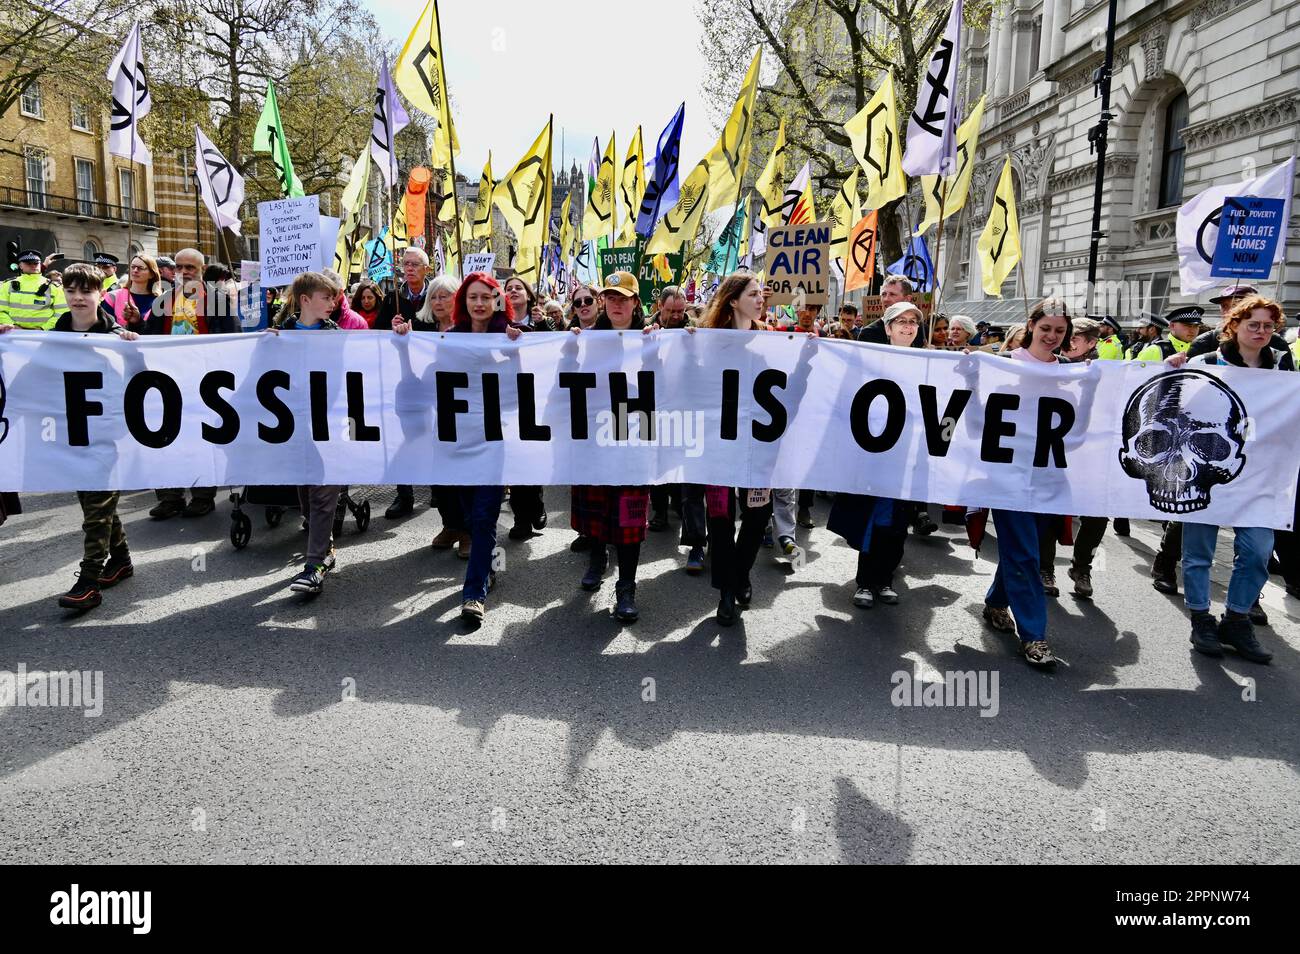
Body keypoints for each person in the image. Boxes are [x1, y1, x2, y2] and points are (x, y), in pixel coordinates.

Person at [1165, 295, 1293, 663]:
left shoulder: (1283, 367)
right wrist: (1173, 369)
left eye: (1269, 325)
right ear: (1234, 325)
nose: (1262, 331)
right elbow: (1175, 407)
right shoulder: (1206, 362)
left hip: (1259, 475)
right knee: (1199, 552)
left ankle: (1236, 619)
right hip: (1208, 470)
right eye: (1254, 324)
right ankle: (1202, 618)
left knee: (1257, 552)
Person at [980, 298, 1073, 669]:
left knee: (1026, 547)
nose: (1052, 336)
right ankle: (1034, 635)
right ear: (1031, 325)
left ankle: (995, 602)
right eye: (1046, 328)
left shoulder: (1069, 371)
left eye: (1059, 330)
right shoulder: (1003, 365)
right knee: (1025, 554)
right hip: (1006, 475)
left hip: (1048, 476)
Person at [45, 264, 140, 609]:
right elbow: (32, 372)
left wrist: (134, 347)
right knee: (92, 501)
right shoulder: (53, 335)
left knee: (97, 508)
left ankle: (88, 582)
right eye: (71, 291)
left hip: (107, 435)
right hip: (74, 433)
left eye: (86, 291)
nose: (78, 298)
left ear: (101, 294)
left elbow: (143, 379)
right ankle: (122, 560)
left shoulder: (117, 337)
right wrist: (10, 337)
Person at [568, 271, 653, 623]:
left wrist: (681, 340)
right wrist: (569, 349)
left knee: (628, 511)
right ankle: (597, 556)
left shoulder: (653, 339)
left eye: (624, 297)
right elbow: (565, 380)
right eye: (611, 298)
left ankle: (627, 587)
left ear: (635, 302)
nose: (616, 304)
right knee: (598, 504)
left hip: (636, 432)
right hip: (598, 433)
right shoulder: (588, 338)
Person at [699, 272, 782, 625]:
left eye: (762, 293)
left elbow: (789, 385)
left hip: (758, 447)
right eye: (753, 293)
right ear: (733, 300)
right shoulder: (706, 342)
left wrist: (809, 354)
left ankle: (740, 574)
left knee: (757, 515)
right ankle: (726, 592)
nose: (761, 298)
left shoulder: (772, 341)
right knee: (719, 519)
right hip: (718, 445)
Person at [828, 301, 919, 609]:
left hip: (907, 456)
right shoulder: (870, 361)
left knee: (897, 522)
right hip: (875, 453)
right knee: (875, 520)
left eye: (913, 322)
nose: (908, 326)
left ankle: (885, 579)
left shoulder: (931, 363)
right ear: (889, 328)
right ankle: (866, 582)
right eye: (901, 321)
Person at [449, 271, 523, 622]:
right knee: (469, 516)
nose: (479, 303)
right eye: (472, 297)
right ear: (464, 302)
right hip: (460, 442)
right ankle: (488, 564)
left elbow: (522, 386)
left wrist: (515, 351)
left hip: (495, 439)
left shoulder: (509, 336)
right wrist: (405, 341)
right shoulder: (451, 338)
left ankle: (473, 593)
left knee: (483, 516)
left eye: (485, 297)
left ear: (497, 301)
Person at [270, 272, 348, 595]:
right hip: (294, 425)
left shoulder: (336, 334)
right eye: (325, 297)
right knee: (304, 491)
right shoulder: (280, 334)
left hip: (328, 425)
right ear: (305, 300)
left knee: (322, 491)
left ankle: (314, 564)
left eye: (333, 298)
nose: (332, 303)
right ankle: (325, 546)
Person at [147, 248, 239, 519]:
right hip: (167, 380)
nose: (185, 272)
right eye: (180, 267)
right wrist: (132, 324)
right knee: (165, 438)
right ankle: (169, 497)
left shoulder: (216, 300)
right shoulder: (164, 300)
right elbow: (148, 335)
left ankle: (202, 496)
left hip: (204, 381)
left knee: (201, 438)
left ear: (202, 269)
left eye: (191, 267)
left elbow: (233, 337)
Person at [392, 274, 471, 556]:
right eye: (434, 296)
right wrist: (402, 341)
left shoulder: (470, 329)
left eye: (445, 296)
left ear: (457, 299)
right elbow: (412, 370)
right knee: (440, 473)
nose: (438, 301)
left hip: (467, 413)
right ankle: (451, 524)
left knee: (465, 475)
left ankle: (470, 532)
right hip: (436, 413)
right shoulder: (423, 330)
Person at [500, 275, 549, 539]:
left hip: (536, 397)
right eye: (508, 288)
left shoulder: (542, 322)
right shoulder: (497, 324)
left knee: (533, 455)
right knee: (515, 458)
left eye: (518, 287)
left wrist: (544, 327)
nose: (514, 291)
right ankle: (520, 518)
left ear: (529, 295)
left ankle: (537, 503)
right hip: (507, 398)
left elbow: (558, 349)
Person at [0, 250, 65, 330]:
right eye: (28, 263)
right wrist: (12, 326)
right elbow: (1, 311)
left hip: (44, 336)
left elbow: (62, 312)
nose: (33, 266)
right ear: (20, 266)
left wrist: (43, 328)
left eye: (36, 263)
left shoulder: (54, 287)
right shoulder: (8, 285)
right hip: (13, 334)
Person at [376, 247, 431, 331]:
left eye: (415, 264)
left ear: (426, 269)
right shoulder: (392, 298)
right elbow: (377, 332)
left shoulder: (435, 297)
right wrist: (392, 327)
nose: (409, 268)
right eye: (406, 264)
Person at [102, 254, 161, 330]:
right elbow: (105, 327)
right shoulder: (112, 297)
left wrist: (138, 322)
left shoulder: (159, 301)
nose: (135, 270)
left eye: (140, 268)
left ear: (152, 274)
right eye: (133, 267)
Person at [1134, 305, 1202, 361]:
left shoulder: (1202, 349)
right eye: (1188, 325)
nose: (1192, 330)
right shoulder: (1155, 350)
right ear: (1172, 326)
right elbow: (1132, 375)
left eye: (1196, 326)